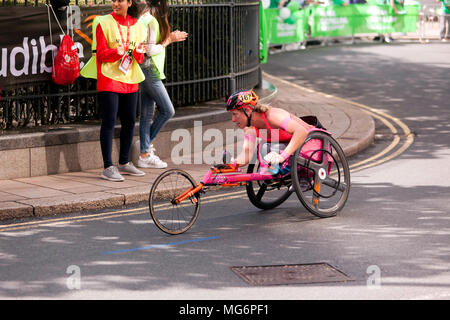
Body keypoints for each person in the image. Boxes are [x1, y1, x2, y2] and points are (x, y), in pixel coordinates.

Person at [81, 0, 147, 181]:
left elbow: (139, 58)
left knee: (129, 121)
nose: (115, 3)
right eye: (114, 0)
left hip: (130, 78)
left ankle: (124, 163)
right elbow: (99, 54)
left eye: (120, 0)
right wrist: (114, 52)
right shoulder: (102, 22)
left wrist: (140, 51)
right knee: (109, 121)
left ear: (129, 2)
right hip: (109, 77)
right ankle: (107, 167)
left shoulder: (139, 26)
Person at [137, 0, 188, 169]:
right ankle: (144, 147)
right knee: (167, 110)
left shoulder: (145, 17)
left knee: (147, 114)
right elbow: (150, 50)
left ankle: (144, 152)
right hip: (149, 70)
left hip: (145, 69)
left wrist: (169, 37)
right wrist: (169, 40)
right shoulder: (150, 19)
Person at [224, 89, 315, 172]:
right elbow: (247, 154)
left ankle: (301, 176)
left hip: (312, 145)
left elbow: (301, 131)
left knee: (272, 149)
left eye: (235, 114)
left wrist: (282, 156)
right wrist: (232, 164)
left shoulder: (272, 116)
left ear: (247, 110)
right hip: (290, 148)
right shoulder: (249, 128)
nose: (233, 120)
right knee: (264, 148)